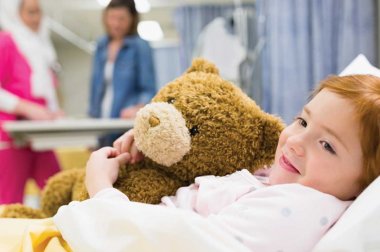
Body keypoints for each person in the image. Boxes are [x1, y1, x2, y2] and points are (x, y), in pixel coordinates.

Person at [53, 75, 380, 251]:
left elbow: (179, 241)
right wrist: (152, 137)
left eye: (327, 145)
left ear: (367, 178)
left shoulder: (300, 209)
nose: (294, 141)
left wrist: (102, 190)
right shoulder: (285, 180)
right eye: (302, 121)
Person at [0, 0, 62, 204]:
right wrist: (25, 107)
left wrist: (53, 111)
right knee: (8, 203)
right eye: (30, 13)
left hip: (40, 135)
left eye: (38, 12)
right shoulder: (6, 42)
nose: (36, 18)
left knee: (59, 194)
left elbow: (47, 91)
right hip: (12, 136)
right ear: (17, 14)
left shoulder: (42, 47)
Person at [88, 0, 156, 147]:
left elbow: (149, 89)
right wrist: (91, 128)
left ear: (132, 19)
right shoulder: (101, 46)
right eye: (112, 18)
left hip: (125, 124)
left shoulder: (140, 47)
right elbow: (95, 89)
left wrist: (136, 107)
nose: (116, 24)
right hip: (101, 124)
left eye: (122, 19)